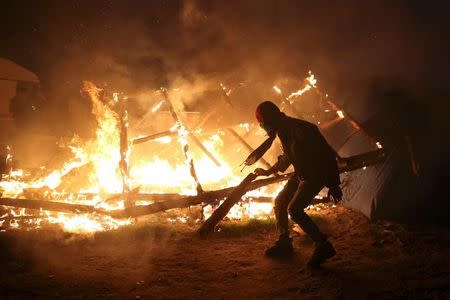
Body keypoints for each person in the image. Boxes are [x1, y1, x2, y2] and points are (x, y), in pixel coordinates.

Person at [246, 101, 342, 267]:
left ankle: (323, 245)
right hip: (301, 173)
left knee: (294, 209)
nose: (263, 128)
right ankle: (284, 242)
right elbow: (287, 158)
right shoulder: (283, 130)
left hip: (315, 174)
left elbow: (327, 156)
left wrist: (334, 185)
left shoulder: (302, 129)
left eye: (263, 124)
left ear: (270, 119)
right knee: (280, 202)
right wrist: (268, 171)